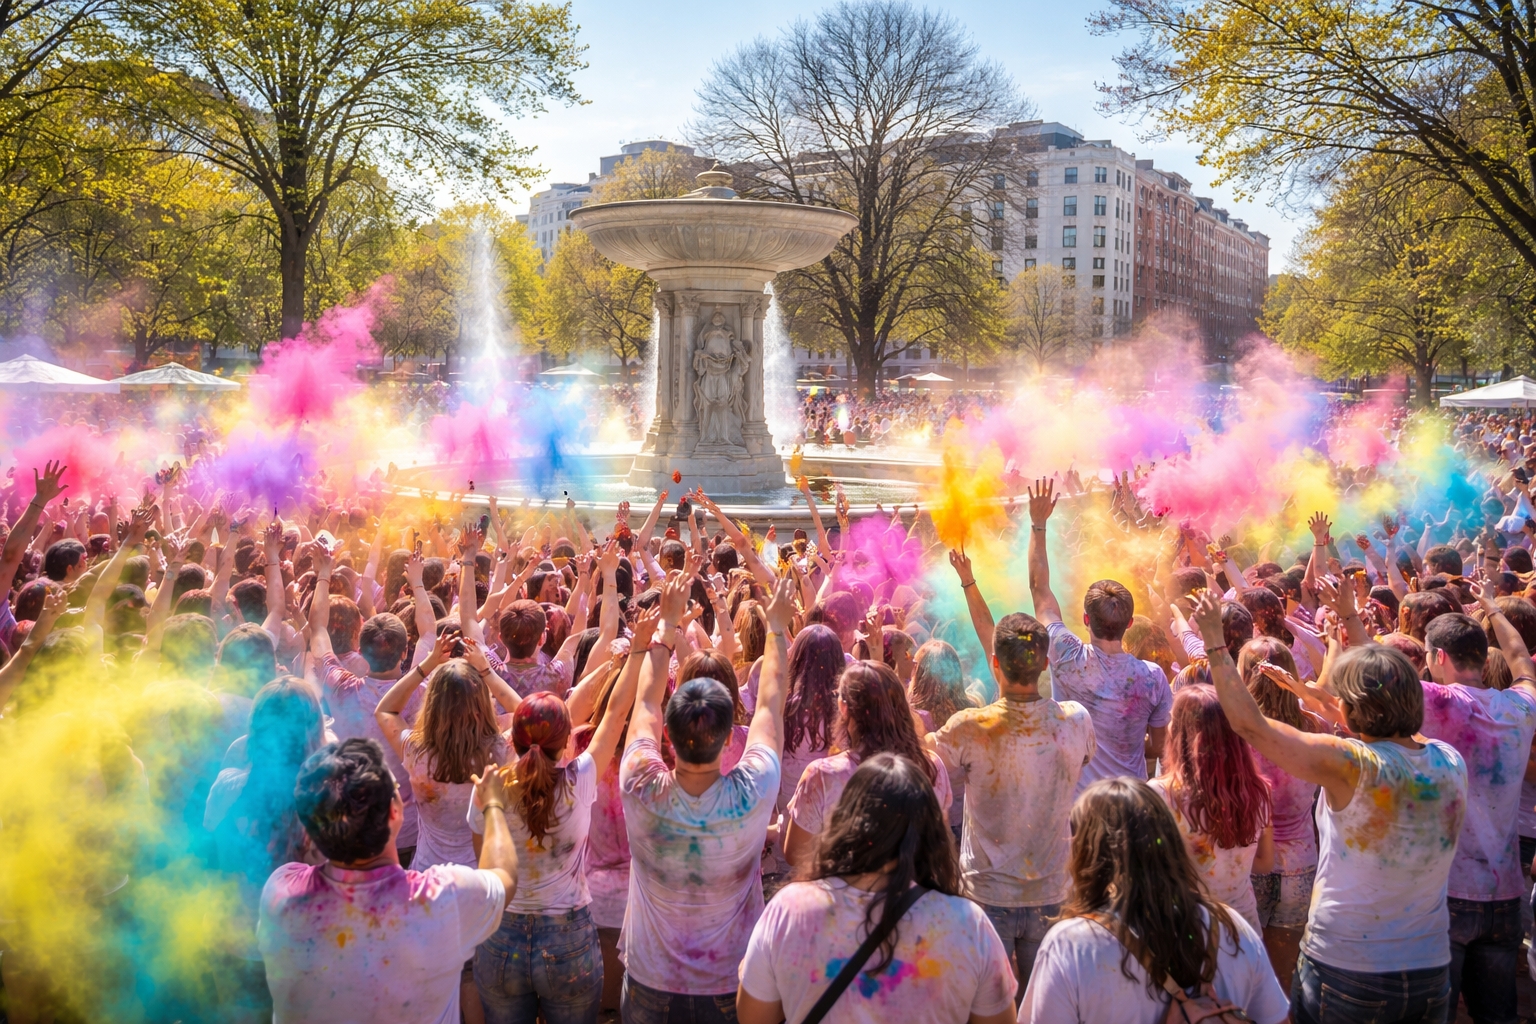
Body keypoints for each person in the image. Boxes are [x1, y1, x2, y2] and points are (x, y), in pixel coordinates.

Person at [1190, 589, 1468, 1024]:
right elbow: (1374, 709)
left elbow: (1248, 724)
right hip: (1431, 966)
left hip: (1350, 970)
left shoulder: (1351, 764)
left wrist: (1214, 644)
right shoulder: (1450, 760)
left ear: (1355, 709)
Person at [618, 570, 795, 1023]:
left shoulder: (639, 781)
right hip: (731, 982)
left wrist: (667, 626)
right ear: (724, 735)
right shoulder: (753, 789)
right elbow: (771, 704)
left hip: (649, 984)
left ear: (669, 736)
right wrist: (776, 630)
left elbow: (644, 706)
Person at [466, 608, 653, 1024]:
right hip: (567, 938)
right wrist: (637, 650)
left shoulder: (490, 788)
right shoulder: (579, 779)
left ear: (511, 736)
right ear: (566, 738)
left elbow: (487, 867)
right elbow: (616, 713)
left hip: (501, 935)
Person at [737, 753, 1017, 1024]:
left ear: (846, 823)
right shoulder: (968, 924)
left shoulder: (789, 909)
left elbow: (753, 1017)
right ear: (930, 833)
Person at [257, 737, 518, 1024]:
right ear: (395, 812)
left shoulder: (280, 892)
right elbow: (503, 876)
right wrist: (492, 804)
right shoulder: (442, 899)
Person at [924, 593, 1095, 994]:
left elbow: (924, 755)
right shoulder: (1075, 721)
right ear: (1046, 664)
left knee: (988, 1004)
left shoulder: (968, 727)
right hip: (1052, 890)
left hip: (987, 893)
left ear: (996, 664)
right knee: (1046, 1004)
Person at [1017, 778, 1289, 1024]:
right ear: (1170, 842)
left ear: (1087, 856)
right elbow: (1276, 1019)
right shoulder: (1232, 928)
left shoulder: (1070, 947)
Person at [1420, 594, 1536, 1023]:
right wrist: (1495, 610)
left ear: (1438, 656)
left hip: (1447, 894)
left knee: (1438, 1015)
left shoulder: (1435, 700)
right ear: (1483, 660)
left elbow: (1376, 673)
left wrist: (1349, 619)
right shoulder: (1521, 707)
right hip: (1505, 893)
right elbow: (1522, 658)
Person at [1025, 479, 1170, 791]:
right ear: (1129, 624)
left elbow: (1039, 590)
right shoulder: (1152, 678)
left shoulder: (1065, 653)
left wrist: (1038, 524)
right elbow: (1159, 747)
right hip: (1131, 803)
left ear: (1085, 619)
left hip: (1077, 808)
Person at [782, 661, 952, 869]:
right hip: (911, 896)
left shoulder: (822, 776)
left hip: (844, 896)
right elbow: (940, 843)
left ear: (844, 707)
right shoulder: (931, 767)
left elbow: (796, 855)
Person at [1148, 685, 1274, 932]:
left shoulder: (1161, 795)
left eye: (1173, 719)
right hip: (1243, 927)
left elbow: (1152, 875)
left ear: (1182, 733)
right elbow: (1265, 862)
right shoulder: (1259, 791)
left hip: (1189, 932)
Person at [1235, 637, 1322, 992]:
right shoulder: (1315, 727)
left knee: (1247, 977)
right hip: (1300, 864)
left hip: (1248, 860)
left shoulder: (1236, 732)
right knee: (1284, 981)